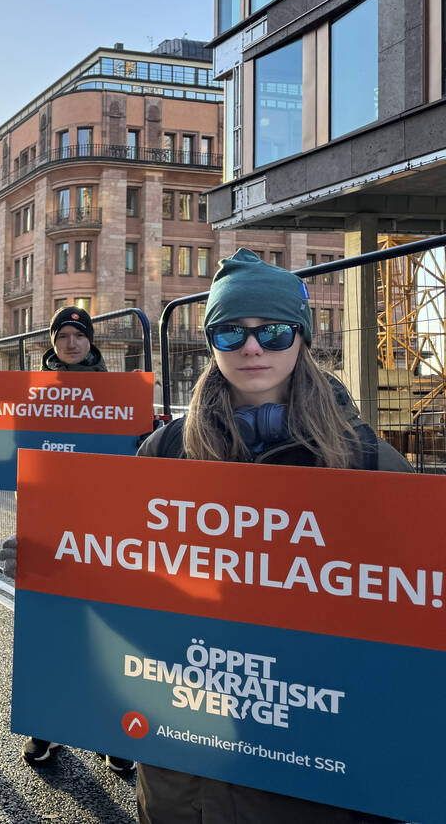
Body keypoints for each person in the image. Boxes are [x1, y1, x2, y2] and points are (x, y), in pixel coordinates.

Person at [133, 248, 409, 823]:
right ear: (211, 342)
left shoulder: (364, 459)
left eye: (274, 332)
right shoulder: (164, 451)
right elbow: (125, 574)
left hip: (315, 755)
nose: (253, 347)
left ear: (302, 338)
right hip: (188, 756)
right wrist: (53, 562)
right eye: (230, 333)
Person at [18, 306, 131, 772]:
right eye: (62, 335)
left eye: (78, 335)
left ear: (90, 342)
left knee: (108, 630)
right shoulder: (32, 394)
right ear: (53, 343)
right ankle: (47, 726)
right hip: (45, 521)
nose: (70, 343)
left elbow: (134, 452)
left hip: (104, 525)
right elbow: (9, 446)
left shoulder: (118, 391)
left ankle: (109, 732)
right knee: (50, 630)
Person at [41, 305, 105, 372]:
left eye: (79, 335)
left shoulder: (109, 381)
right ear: (54, 342)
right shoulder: (34, 381)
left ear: (89, 340)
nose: (71, 345)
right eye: (63, 336)